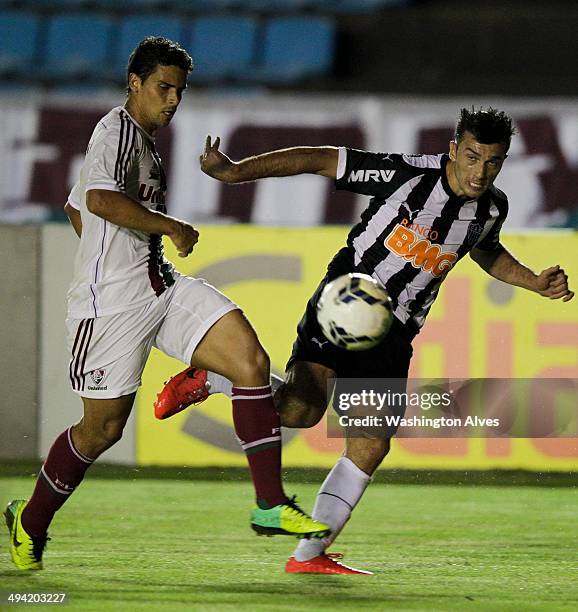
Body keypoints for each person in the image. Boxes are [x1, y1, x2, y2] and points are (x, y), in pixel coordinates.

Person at [155, 107, 574, 574]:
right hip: (348, 301)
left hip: (397, 332)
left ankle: (307, 558)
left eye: (493, 162)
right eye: (472, 157)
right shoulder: (407, 175)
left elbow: (486, 250)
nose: (480, 172)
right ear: (454, 150)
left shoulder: (491, 207)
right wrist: (234, 173)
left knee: (370, 445)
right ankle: (212, 380)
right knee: (302, 411)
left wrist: (534, 281)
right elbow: (317, 159)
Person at [4, 37, 329, 572]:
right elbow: (98, 200)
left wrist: (114, 246)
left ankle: (271, 504)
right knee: (102, 430)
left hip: (161, 285)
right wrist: (165, 228)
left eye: (179, 89)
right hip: (109, 307)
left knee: (250, 359)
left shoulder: (144, 142)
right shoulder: (114, 131)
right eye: (163, 87)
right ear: (134, 84)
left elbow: (74, 203)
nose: (173, 99)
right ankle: (30, 521)